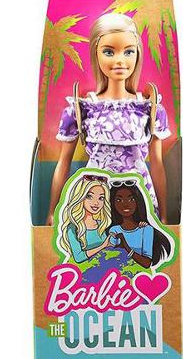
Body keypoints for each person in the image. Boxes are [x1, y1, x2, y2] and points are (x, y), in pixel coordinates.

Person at [46, 13, 171, 225]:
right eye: (109, 52)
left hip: (139, 198)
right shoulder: (82, 109)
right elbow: (63, 162)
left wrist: (165, 216)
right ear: (96, 54)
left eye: (129, 51)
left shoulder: (149, 108)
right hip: (96, 200)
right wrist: (52, 210)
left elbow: (157, 164)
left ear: (138, 54)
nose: (120, 60)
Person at [109, 181, 172, 269]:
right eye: (119, 200)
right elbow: (110, 259)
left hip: (142, 275)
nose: (125, 204)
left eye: (131, 199)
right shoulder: (114, 230)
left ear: (138, 201)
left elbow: (147, 263)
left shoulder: (146, 230)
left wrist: (126, 246)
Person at [57, 175, 113, 263]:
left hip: (102, 265)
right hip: (83, 268)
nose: (96, 203)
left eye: (101, 198)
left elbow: (106, 250)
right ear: (80, 196)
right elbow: (79, 257)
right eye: (89, 196)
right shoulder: (73, 228)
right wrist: (103, 246)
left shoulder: (101, 224)